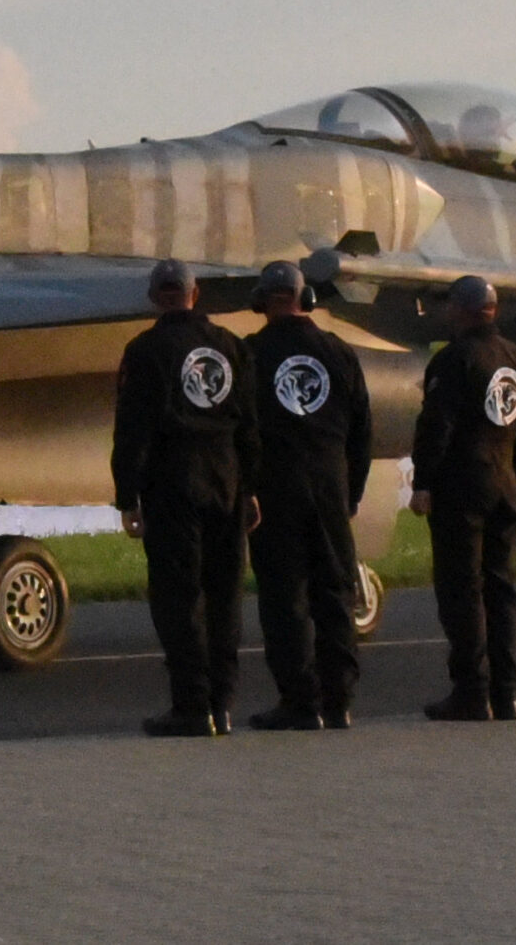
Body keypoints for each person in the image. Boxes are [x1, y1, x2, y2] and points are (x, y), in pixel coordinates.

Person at [113, 257, 261, 738]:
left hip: (173, 482)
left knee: (179, 597)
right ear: (196, 294)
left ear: (155, 297)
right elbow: (250, 426)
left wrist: (127, 495)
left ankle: (192, 706)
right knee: (224, 595)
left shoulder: (145, 351)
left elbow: (133, 429)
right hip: (225, 478)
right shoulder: (231, 347)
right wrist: (250, 489)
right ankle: (223, 703)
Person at [242, 260, 372, 731]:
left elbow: (241, 431)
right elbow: (362, 430)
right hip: (329, 488)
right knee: (334, 593)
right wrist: (351, 492)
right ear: (306, 299)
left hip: (276, 490)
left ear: (262, 301)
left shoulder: (250, 354)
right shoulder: (338, 351)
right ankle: (339, 701)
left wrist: (246, 490)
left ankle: (300, 701)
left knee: (285, 599)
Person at [408, 274, 516, 721]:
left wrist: (423, 482)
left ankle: (472, 690)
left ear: (458, 310)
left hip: (462, 486)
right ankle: (506, 691)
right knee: (500, 588)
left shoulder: (454, 359)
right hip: (504, 482)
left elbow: (437, 425)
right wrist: (513, 476)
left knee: (462, 590)